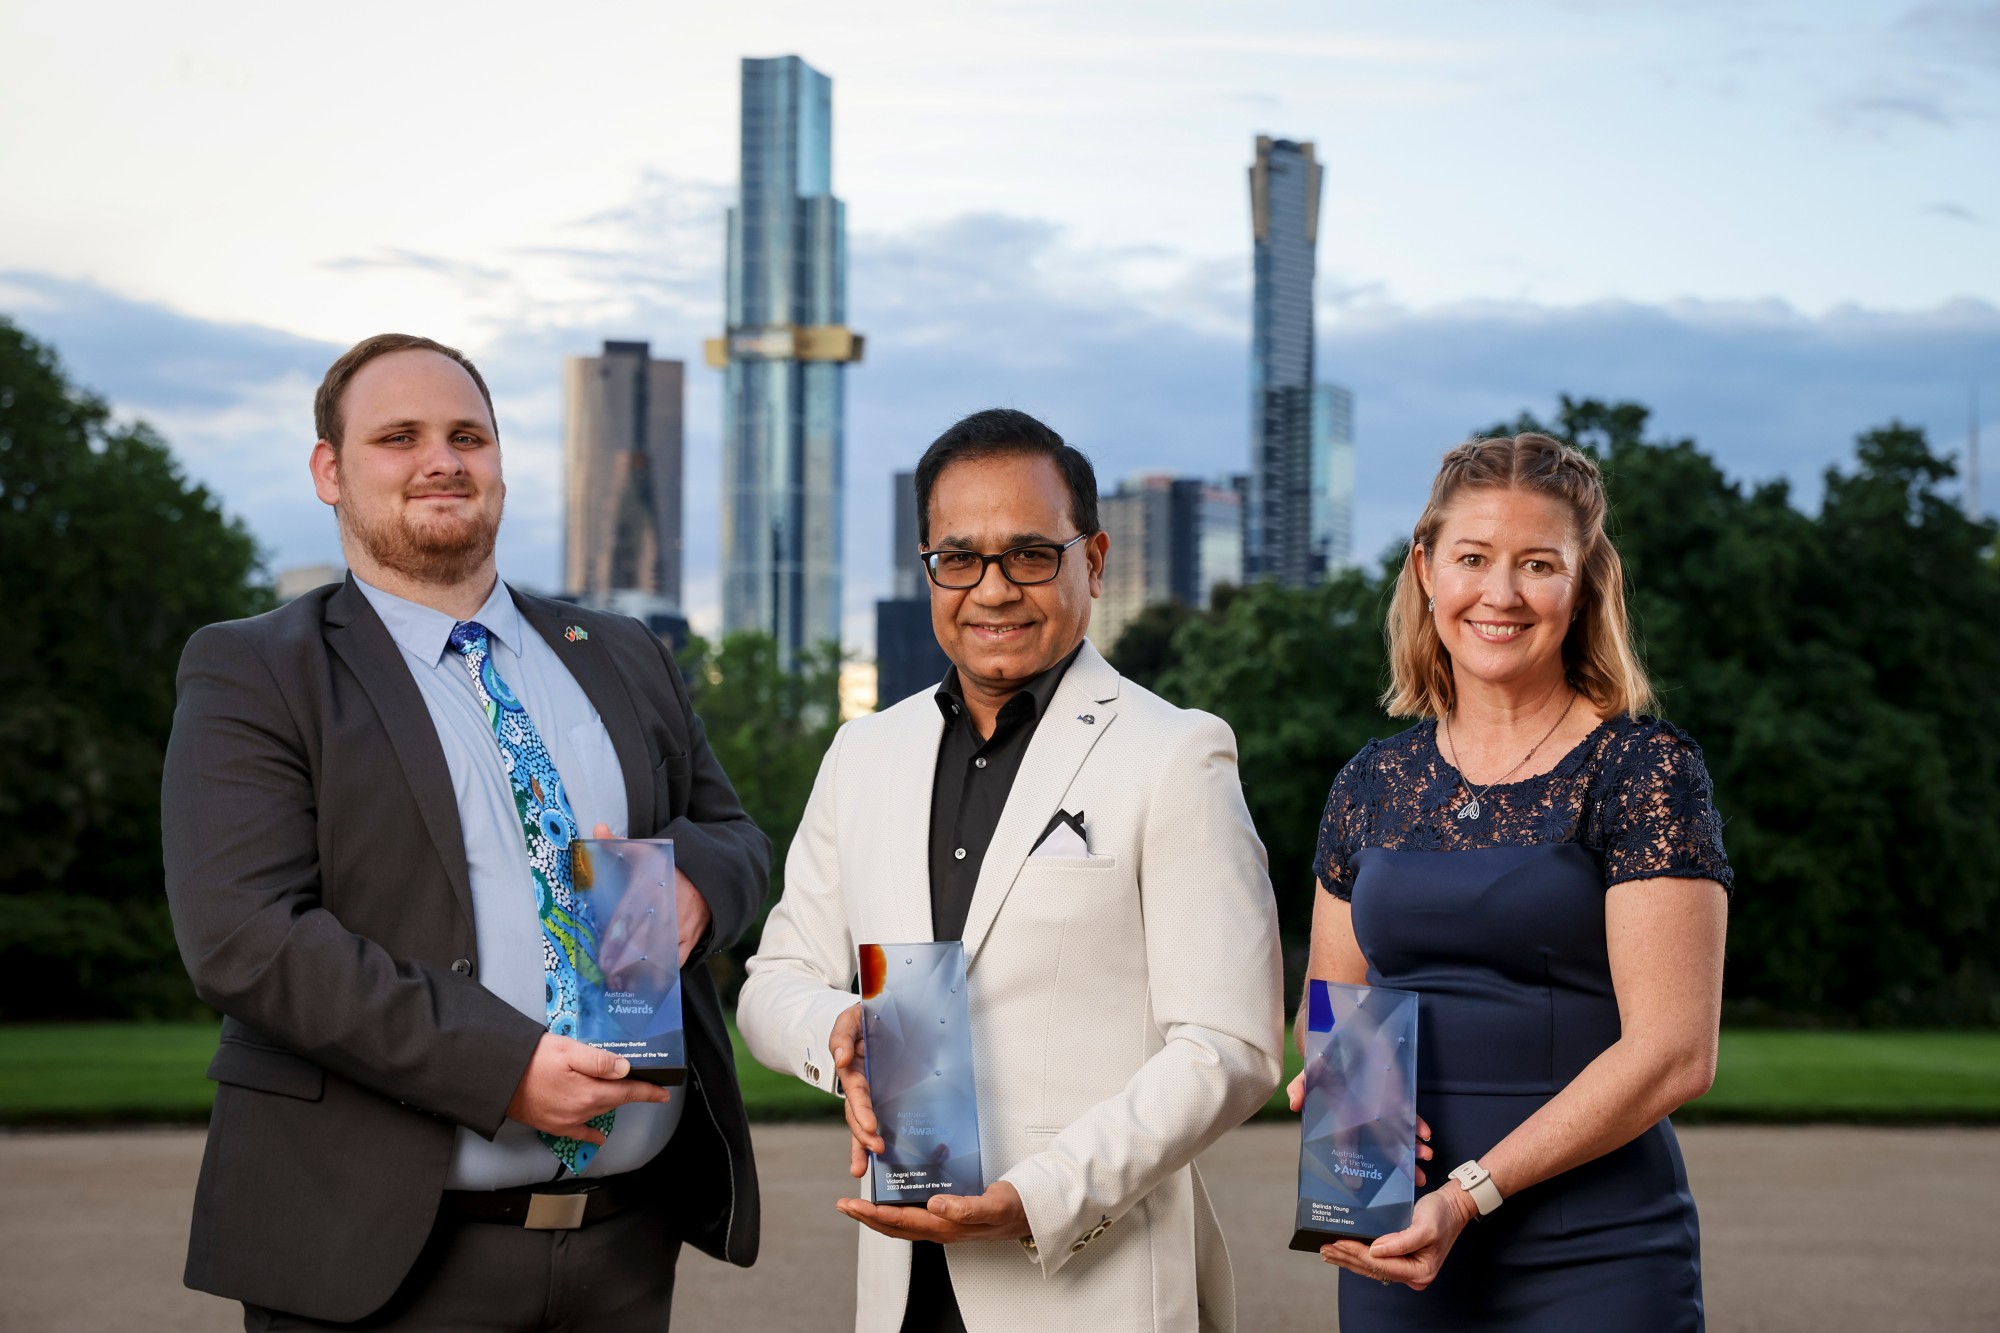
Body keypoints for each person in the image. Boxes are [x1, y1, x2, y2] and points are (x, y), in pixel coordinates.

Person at [162, 333, 768, 1330]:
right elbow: (244, 936)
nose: (442, 460)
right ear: (330, 470)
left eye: (467, 436)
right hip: (376, 1258)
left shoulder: (619, 653)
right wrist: (501, 1067)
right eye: (398, 437)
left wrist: (695, 886)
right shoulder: (257, 670)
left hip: (623, 1248)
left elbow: (733, 830)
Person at [736, 409, 1283, 1333]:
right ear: (928, 567)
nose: (993, 588)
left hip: (1088, 1285)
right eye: (961, 558)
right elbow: (770, 983)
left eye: (1031, 554)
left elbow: (1230, 1045)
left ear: (1094, 561)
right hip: (900, 1288)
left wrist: (1043, 1195)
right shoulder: (863, 752)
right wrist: (840, 1029)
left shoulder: (1176, 753)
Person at [1295, 432, 1731, 1330]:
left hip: (1595, 1251)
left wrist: (1465, 1195)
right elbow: (1332, 999)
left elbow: (1676, 1053)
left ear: (1583, 584)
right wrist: (1346, 1112)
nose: (1500, 594)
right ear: (1426, 568)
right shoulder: (1369, 783)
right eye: (1472, 558)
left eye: (1538, 564)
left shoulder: (1643, 768)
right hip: (1395, 1243)